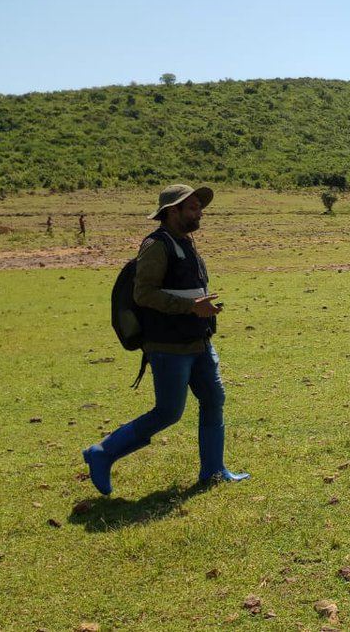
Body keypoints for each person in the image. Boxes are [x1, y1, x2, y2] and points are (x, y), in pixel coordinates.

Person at [82, 184, 248, 494]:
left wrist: (203, 309)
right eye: (193, 208)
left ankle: (213, 471)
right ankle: (102, 452)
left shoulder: (186, 243)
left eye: (199, 208)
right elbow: (144, 294)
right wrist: (192, 307)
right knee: (169, 412)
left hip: (198, 341)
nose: (200, 214)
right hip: (169, 346)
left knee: (214, 400)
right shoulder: (156, 246)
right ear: (173, 211)